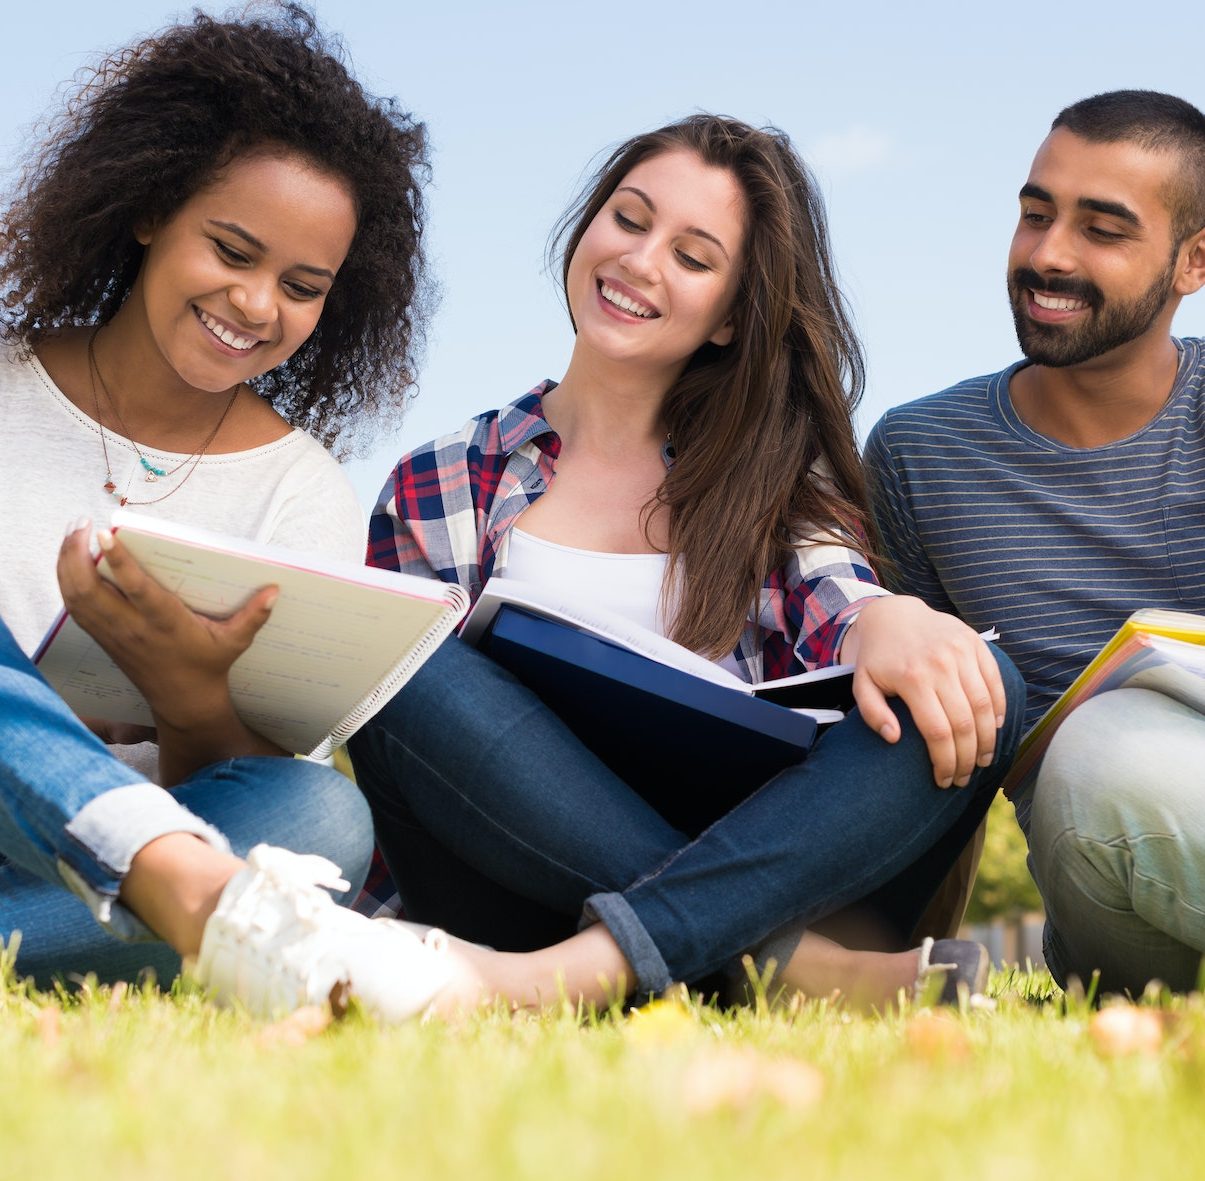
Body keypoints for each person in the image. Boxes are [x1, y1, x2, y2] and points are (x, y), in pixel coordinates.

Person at [347, 114, 1027, 1015]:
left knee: (985, 682)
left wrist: (886, 621)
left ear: (731, 318)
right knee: (397, 660)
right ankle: (786, 971)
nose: (640, 261)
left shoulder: (778, 481)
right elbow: (423, 757)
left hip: (762, 860)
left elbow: (838, 597)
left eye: (693, 257)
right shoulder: (439, 478)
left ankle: (600, 971)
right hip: (513, 888)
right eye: (628, 220)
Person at [0, 3, 451, 1018]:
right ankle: (194, 906)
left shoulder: (301, 492)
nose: (255, 304)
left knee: (318, 813)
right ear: (152, 207)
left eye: (301, 285)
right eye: (232, 250)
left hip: (82, 864)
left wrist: (188, 689)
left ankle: (164, 895)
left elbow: (236, 787)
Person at [865, 90, 1205, 995]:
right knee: (1103, 751)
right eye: (1033, 214)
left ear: (1192, 261)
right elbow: (915, 743)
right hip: (1111, 850)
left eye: (1102, 229)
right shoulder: (917, 453)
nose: (1048, 255)